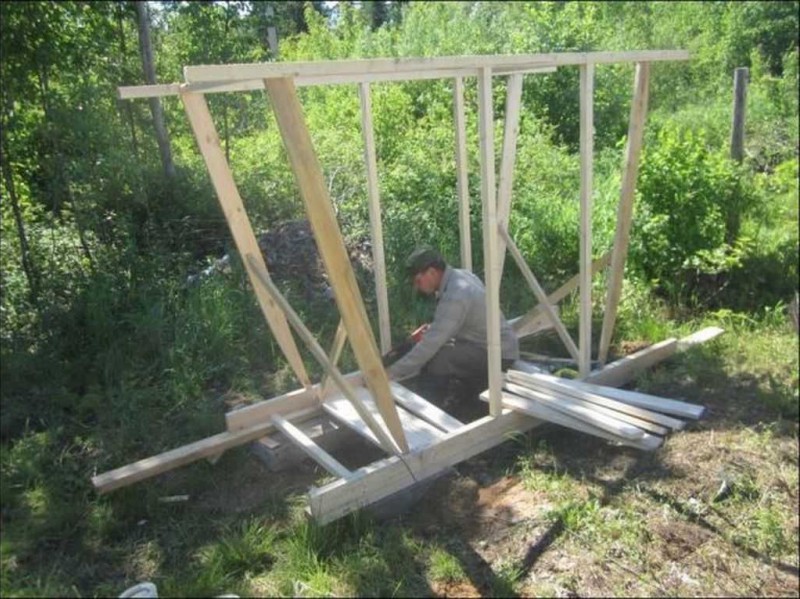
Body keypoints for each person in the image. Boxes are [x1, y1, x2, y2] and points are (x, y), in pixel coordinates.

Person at [386, 247, 519, 402]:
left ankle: (429, 411)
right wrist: (431, 330)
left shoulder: (456, 294)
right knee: (439, 348)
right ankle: (469, 395)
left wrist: (391, 373)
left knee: (440, 358)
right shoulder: (461, 276)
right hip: (491, 346)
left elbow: (429, 346)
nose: (417, 287)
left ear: (432, 272)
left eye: (418, 280)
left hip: (500, 356)